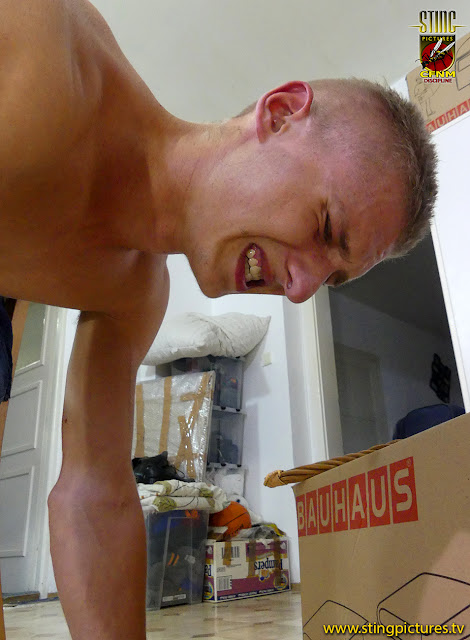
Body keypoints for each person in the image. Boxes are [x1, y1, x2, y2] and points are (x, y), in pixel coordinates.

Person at [0, 1, 437, 638]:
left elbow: (95, 492)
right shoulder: (38, 54)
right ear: (280, 114)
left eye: (331, 278)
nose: (300, 290)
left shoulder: (135, 291)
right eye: (325, 228)